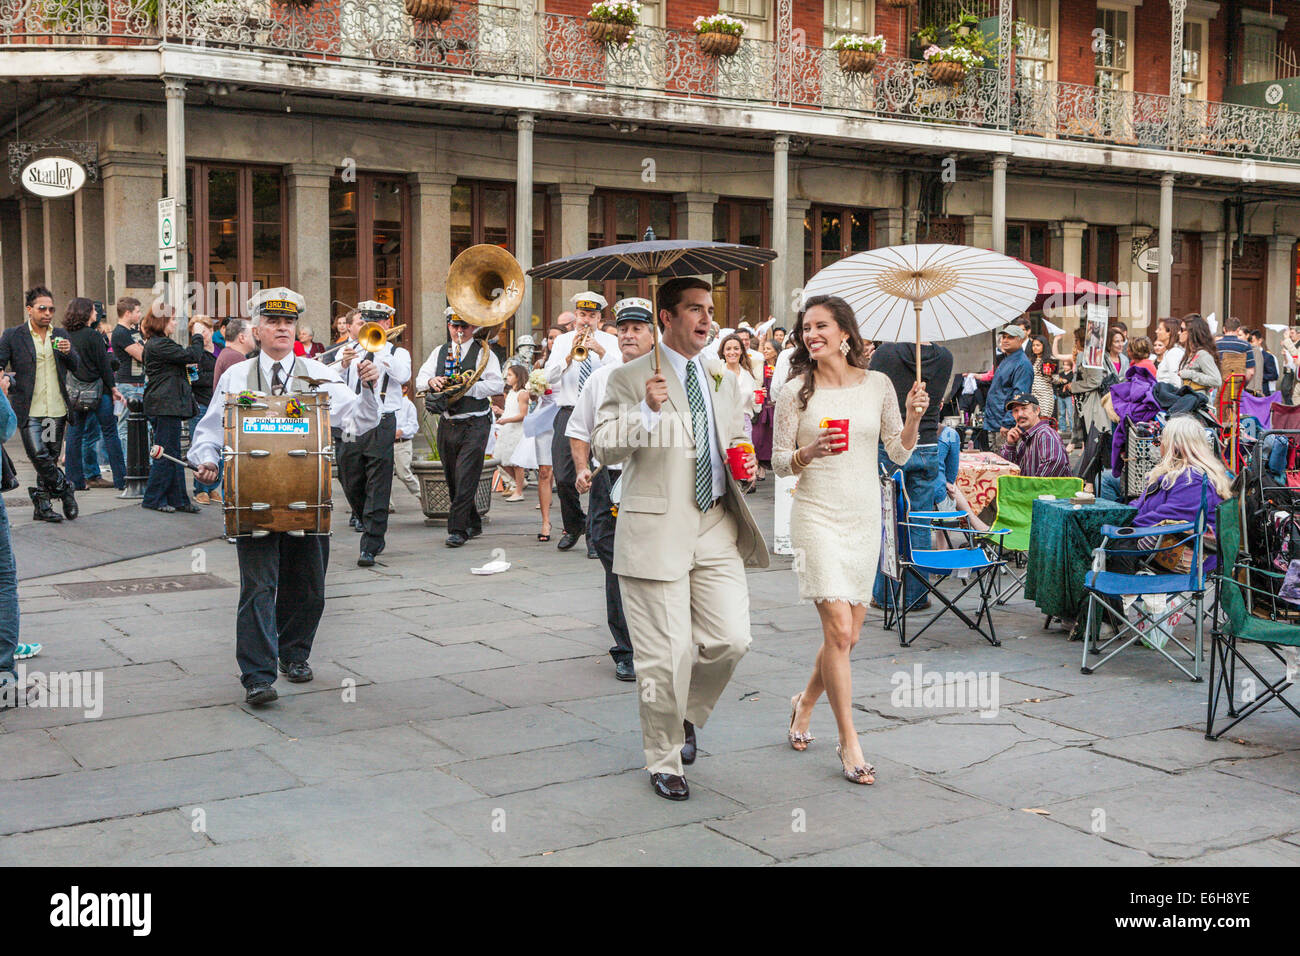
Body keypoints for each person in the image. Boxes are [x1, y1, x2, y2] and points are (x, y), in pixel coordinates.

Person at [592, 277, 768, 801]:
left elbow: (734, 436)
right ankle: (664, 758)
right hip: (654, 531)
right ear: (665, 317)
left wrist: (747, 458)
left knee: (732, 640)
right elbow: (604, 449)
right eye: (694, 309)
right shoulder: (627, 377)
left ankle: (686, 715)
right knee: (664, 660)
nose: (706, 319)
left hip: (715, 522)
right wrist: (645, 412)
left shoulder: (719, 373)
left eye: (709, 309)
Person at [191, 288, 381, 705]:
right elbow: (208, 429)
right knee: (258, 587)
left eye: (289, 322)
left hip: (307, 496)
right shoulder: (236, 377)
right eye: (273, 322)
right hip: (253, 497)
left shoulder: (320, 372)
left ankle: (294, 654)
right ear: (255, 329)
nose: (282, 328)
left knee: (308, 585)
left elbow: (361, 421)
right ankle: (257, 676)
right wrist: (207, 461)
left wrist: (369, 388)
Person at [776, 294, 927, 787]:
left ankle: (805, 702)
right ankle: (850, 739)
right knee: (839, 631)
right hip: (816, 514)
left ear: (846, 333)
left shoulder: (879, 384)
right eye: (806, 328)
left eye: (821, 326)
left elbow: (897, 454)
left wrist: (912, 418)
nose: (811, 334)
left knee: (848, 636)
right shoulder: (794, 391)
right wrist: (809, 451)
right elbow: (776, 462)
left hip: (864, 515)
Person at [567, 297, 655, 683]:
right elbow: (578, 428)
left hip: (653, 479)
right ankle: (626, 648)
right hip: (611, 479)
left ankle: (654, 640)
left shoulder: (668, 375)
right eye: (624, 329)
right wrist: (584, 468)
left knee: (651, 561)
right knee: (614, 559)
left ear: (654, 335)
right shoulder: (601, 377)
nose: (629, 335)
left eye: (638, 329)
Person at [869, 335, 953, 612]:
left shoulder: (884, 354)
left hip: (892, 443)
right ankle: (917, 594)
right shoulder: (945, 358)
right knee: (920, 521)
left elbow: (873, 395)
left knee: (889, 521)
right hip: (929, 442)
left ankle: (885, 594)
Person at [417, 307, 504, 548]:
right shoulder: (439, 351)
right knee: (453, 478)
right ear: (448, 326)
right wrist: (432, 381)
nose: (459, 331)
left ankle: (457, 530)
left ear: (472, 327)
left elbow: (497, 385)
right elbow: (420, 378)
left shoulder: (483, 353)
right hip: (448, 421)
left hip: (475, 421)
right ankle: (472, 521)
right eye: (454, 326)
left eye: (464, 326)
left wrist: (468, 386)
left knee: (466, 475)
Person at [544, 292, 620, 552]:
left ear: (599, 317)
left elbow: (622, 373)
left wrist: (600, 352)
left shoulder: (612, 341)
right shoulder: (563, 341)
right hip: (568, 411)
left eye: (591, 315)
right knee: (565, 477)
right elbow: (548, 378)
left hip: (602, 414)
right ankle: (575, 524)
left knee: (598, 476)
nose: (585, 320)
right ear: (575, 316)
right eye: (581, 315)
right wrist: (567, 358)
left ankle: (593, 536)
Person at [336, 301, 410, 566]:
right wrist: (343, 365)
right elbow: (330, 379)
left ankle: (371, 542)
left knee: (379, 482)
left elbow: (403, 375)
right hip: (352, 423)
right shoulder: (348, 351)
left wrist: (380, 352)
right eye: (367, 321)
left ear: (387, 324)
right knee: (348, 475)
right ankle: (365, 516)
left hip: (382, 421)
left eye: (378, 321)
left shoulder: (397, 352)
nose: (372, 326)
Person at [0, 286, 81, 522]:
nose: (47, 313)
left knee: (49, 457)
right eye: (42, 308)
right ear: (29, 310)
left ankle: (42, 506)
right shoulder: (14, 335)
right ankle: (66, 488)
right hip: (30, 409)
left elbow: (76, 366)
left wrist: (69, 352)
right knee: (38, 455)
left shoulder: (60, 335)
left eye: (51, 309)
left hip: (55, 408)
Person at [141, 303, 204, 515]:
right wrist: (197, 336)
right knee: (166, 453)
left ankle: (178, 499)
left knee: (172, 453)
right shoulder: (160, 345)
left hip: (167, 403)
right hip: (164, 404)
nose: (175, 323)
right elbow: (191, 355)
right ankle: (153, 497)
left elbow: (186, 362)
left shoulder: (161, 344)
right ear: (163, 322)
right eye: (172, 320)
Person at [63, 297, 127, 492]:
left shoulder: (65, 335)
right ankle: (121, 479)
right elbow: (104, 366)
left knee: (75, 435)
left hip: (75, 392)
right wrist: (114, 388)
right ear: (85, 313)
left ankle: (74, 480)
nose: (95, 313)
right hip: (99, 392)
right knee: (110, 433)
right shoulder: (93, 336)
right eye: (92, 310)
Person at [187, 316, 222, 504]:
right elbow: (194, 379)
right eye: (196, 332)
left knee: (221, 448)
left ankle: (214, 487)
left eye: (204, 331)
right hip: (201, 403)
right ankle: (200, 489)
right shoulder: (193, 353)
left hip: (219, 403)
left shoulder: (220, 350)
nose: (202, 335)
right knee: (200, 446)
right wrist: (217, 377)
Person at [998, 391, 1070, 477]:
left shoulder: (1045, 434)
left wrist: (1029, 488)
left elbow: (1054, 464)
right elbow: (1009, 471)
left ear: (1037, 411)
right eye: (1015, 411)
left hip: (1049, 490)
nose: (1020, 414)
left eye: (1024, 408)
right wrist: (1010, 445)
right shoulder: (1024, 441)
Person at [984, 324, 1033, 450]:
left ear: (1020, 340)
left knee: (1006, 462)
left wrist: (1008, 422)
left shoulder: (1022, 364)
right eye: (1003, 337)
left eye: (1010, 337)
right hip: (995, 421)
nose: (1005, 340)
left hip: (1005, 424)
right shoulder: (1007, 359)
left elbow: (1019, 397)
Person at [110, 296, 146, 450]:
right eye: (137, 311)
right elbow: (142, 355)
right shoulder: (120, 333)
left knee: (143, 425)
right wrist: (143, 349)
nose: (140, 315)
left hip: (140, 382)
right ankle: (126, 462)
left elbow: (145, 351)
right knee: (125, 426)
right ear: (127, 313)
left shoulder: (133, 331)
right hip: (127, 384)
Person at [493, 364, 530, 503]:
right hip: (507, 429)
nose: (507, 377)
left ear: (518, 377)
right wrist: (501, 412)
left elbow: (523, 415)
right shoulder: (511, 393)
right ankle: (519, 481)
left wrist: (506, 419)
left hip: (516, 430)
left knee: (516, 463)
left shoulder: (522, 393)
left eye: (510, 375)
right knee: (500, 459)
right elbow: (511, 410)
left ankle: (519, 491)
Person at [390, 389, 421, 511]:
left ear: (404, 389)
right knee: (385, 475)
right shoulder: (388, 403)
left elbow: (414, 425)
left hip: (402, 444)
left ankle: (422, 495)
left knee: (404, 474)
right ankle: (387, 504)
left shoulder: (408, 405)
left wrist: (402, 431)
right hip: (387, 443)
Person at [751, 338, 779, 479]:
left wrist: (776, 376)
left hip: (774, 408)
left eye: (769, 349)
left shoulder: (781, 367)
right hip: (761, 406)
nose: (765, 351)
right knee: (756, 438)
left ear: (776, 351)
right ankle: (754, 474)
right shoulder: (759, 365)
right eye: (764, 348)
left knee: (768, 440)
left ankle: (762, 468)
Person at [1179, 314, 1223, 394]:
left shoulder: (1202, 354)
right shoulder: (1190, 353)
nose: (1179, 333)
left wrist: (1190, 374)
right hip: (1189, 401)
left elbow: (1216, 380)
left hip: (1199, 403)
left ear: (1191, 332)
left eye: (1182, 329)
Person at [1216, 316, 1255, 388]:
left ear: (1224, 329)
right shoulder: (1246, 345)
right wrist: (1242, 385)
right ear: (1238, 329)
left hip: (1218, 387)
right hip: (1237, 387)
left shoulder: (1215, 345)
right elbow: (1250, 372)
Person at [213, 316, 255, 381]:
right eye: (252, 335)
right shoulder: (234, 357)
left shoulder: (229, 354)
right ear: (242, 338)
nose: (256, 338)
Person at [1027, 334, 1056, 418]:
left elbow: (1057, 380)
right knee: (1033, 420)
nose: (1035, 347)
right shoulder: (1031, 360)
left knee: (1043, 420)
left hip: (1045, 395)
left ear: (1044, 346)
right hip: (1033, 395)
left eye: (1038, 345)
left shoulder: (1051, 360)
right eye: (1033, 345)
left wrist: (1050, 375)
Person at [1153, 317, 1185, 387]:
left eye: (1160, 329)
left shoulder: (1174, 353)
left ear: (1169, 333)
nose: (1156, 331)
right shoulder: (1169, 351)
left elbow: (1177, 382)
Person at [1245, 328, 1278, 395]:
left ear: (1260, 340)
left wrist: (1258, 376)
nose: (1250, 344)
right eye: (1249, 342)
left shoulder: (1268, 356)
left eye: (1252, 341)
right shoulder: (1248, 353)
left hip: (1262, 390)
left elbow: (1274, 375)